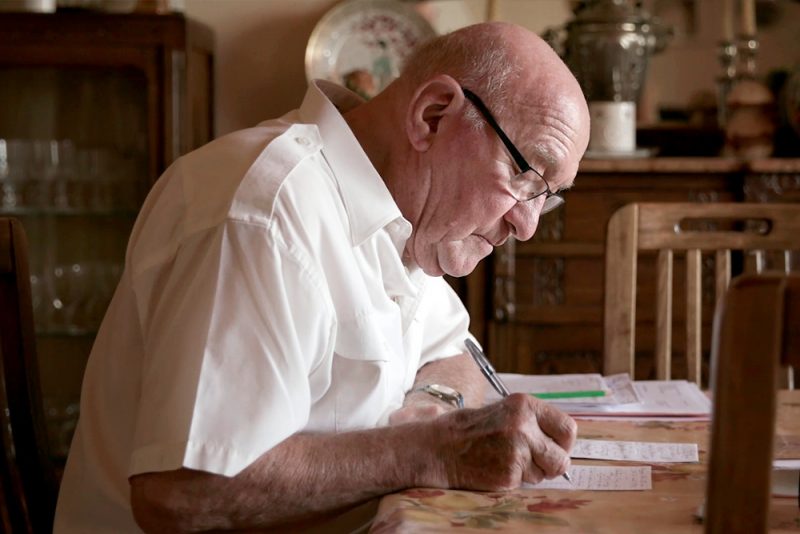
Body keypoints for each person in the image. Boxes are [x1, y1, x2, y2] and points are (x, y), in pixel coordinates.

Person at [54, 21, 590, 532]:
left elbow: (456, 353)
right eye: (525, 176)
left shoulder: (401, 208)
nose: (526, 226)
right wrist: (433, 451)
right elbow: (183, 492)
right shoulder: (264, 211)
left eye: (546, 197)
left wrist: (431, 409)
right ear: (432, 115)